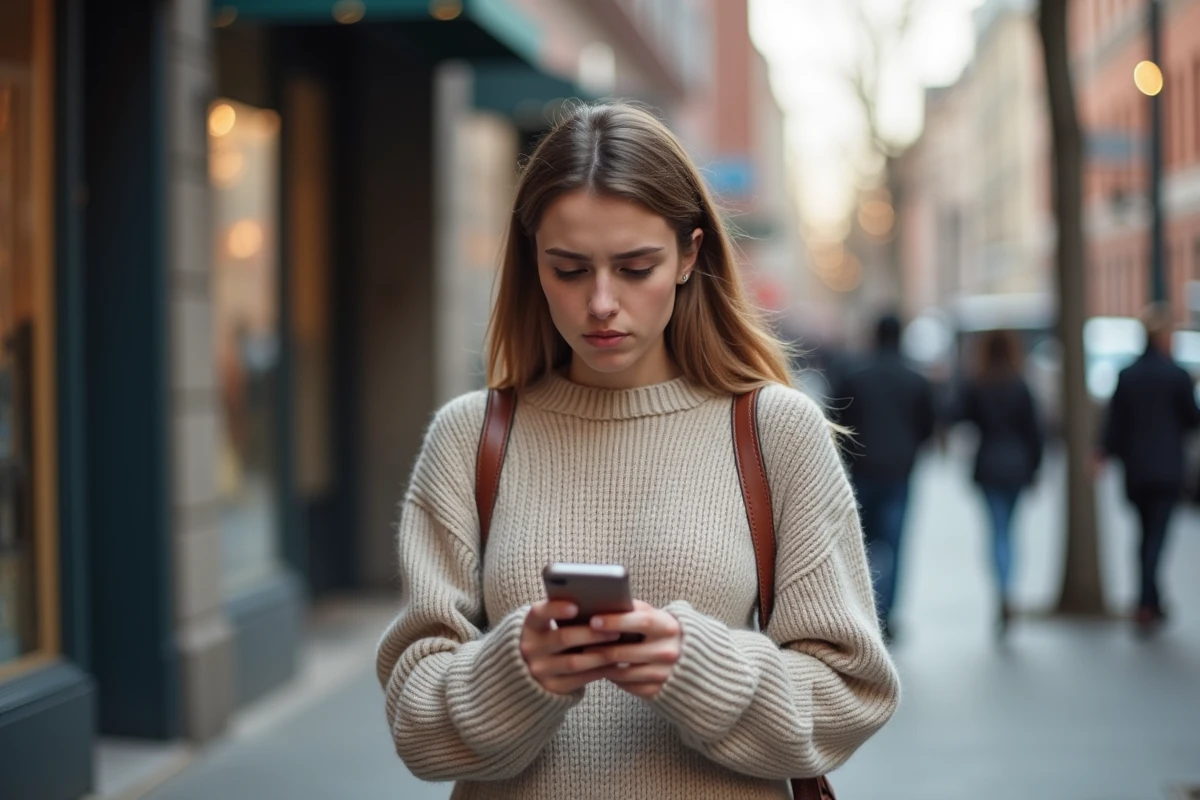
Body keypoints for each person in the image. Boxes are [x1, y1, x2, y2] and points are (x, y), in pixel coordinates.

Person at [375, 102, 899, 799]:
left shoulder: (773, 431)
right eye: (568, 269)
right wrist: (519, 670)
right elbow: (416, 723)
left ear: (689, 255)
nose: (600, 302)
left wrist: (698, 665)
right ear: (532, 263)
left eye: (634, 267)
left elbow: (850, 693)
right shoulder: (468, 439)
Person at [831, 313, 936, 642]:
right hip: (899, 474)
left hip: (861, 472)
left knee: (862, 545)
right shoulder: (916, 380)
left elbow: (838, 423)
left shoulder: (855, 378)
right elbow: (928, 428)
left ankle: (865, 610)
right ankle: (888, 615)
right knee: (895, 544)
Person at [1100, 306, 1200, 634]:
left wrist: (1102, 452)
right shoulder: (1177, 376)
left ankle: (1150, 601)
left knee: (1144, 537)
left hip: (1136, 470)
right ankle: (1146, 602)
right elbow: (1192, 419)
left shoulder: (1127, 375)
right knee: (1156, 538)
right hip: (1167, 469)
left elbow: (1114, 424)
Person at [956, 330, 1043, 637]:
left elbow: (957, 416)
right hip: (1016, 465)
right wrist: (1035, 469)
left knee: (997, 531)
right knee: (1010, 531)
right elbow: (1035, 432)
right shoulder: (1020, 385)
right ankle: (1009, 590)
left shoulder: (978, 384)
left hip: (989, 464)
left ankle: (1001, 589)